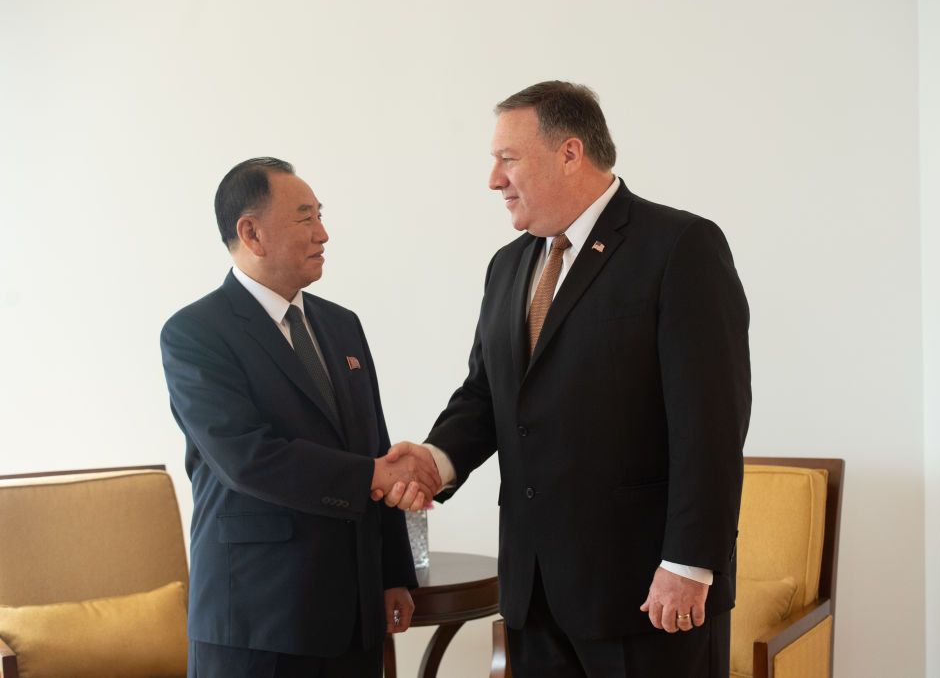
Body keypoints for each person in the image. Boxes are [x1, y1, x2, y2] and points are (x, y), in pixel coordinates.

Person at [387, 82, 751, 677]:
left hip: (646, 595)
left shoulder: (680, 247)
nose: (493, 179)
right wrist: (435, 460)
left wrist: (688, 564)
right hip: (534, 594)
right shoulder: (508, 266)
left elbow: (711, 423)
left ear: (569, 153)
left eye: (507, 158)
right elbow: (488, 394)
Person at [160, 157, 442, 678]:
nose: (324, 233)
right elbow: (247, 457)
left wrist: (392, 573)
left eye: (321, 216)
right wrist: (374, 475)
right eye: (306, 218)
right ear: (252, 232)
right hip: (258, 618)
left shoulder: (341, 325)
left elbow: (372, 444)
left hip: (354, 615)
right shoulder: (195, 333)